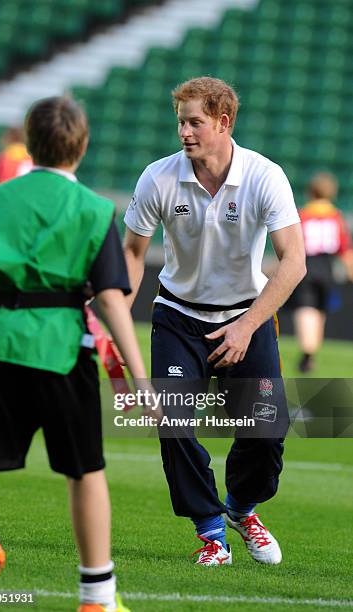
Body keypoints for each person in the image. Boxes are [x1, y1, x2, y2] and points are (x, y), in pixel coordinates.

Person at [0, 96, 158, 612]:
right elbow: (111, 299)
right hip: (62, 349)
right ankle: (96, 594)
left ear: (28, 143)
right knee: (85, 470)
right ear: (83, 145)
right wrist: (140, 379)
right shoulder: (95, 209)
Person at [123, 77, 306, 567]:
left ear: (224, 123)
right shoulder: (157, 177)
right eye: (180, 121)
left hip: (247, 316)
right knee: (174, 423)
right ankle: (211, 533)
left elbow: (293, 262)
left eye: (194, 122)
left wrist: (246, 327)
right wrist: (114, 308)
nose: (184, 131)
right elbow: (133, 255)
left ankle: (242, 511)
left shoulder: (266, 176)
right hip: (178, 317)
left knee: (267, 430)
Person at [291, 172, 353, 372]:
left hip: (306, 265)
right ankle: (312, 352)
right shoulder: (336, 217)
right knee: (320, 310)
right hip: (327, 267)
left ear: (310, 191)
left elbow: (292, 245)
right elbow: (345, 250)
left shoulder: (302, 214)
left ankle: (307, 353)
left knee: (305, 308)